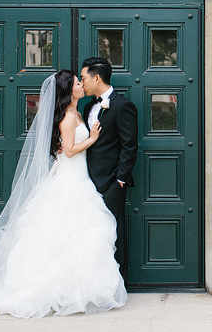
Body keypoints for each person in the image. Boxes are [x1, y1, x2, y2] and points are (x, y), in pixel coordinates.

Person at [0, 70, 127, 318]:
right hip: (70, 178)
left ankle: (77, 291)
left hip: (80, 177)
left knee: (80, 233)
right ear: (67, 90)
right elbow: (71, 151)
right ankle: (56, 291)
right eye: (76, 83)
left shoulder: (78, 112)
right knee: (64, 234)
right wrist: (92, 138)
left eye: (80, 81)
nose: (81, 84)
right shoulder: (66, 118)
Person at [80, 56, 139, 279]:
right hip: (86, 181)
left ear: (97, 77)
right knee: (92, 233)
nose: (82, 83)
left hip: (111, 181)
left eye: (84, 78)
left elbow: (129, 145)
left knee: (114, 231)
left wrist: (120, 180)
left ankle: (118, 282)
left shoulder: (123, 106)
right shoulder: (87, 107)